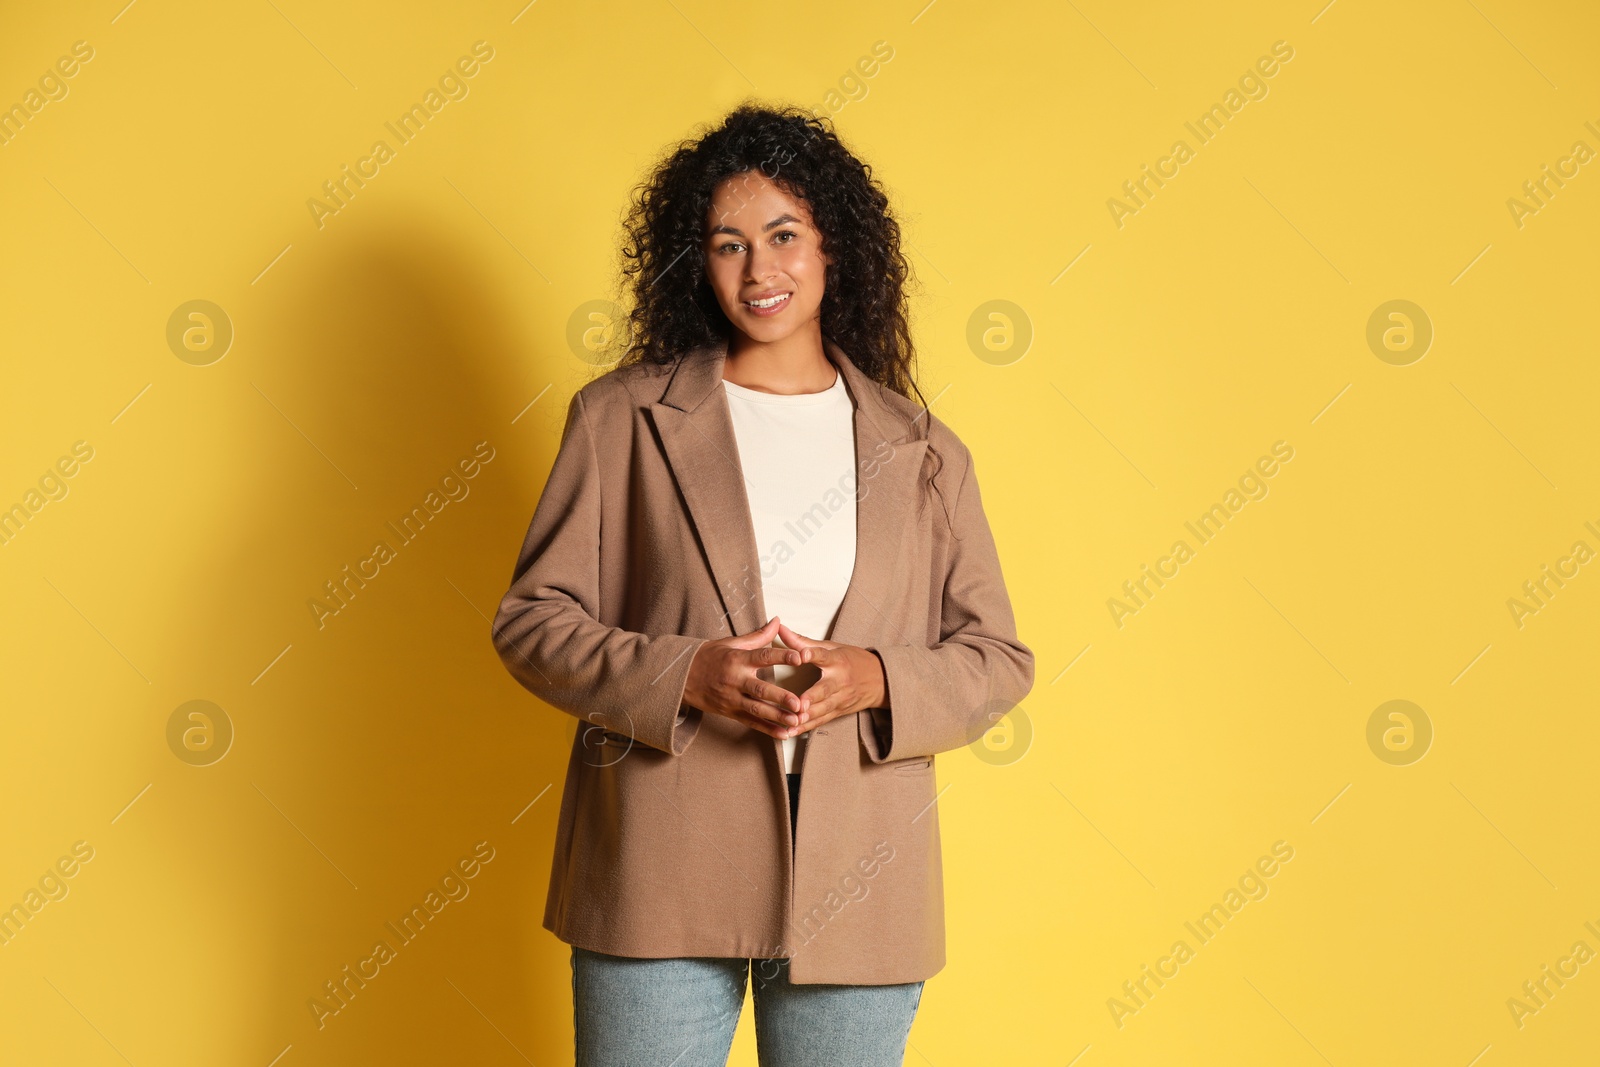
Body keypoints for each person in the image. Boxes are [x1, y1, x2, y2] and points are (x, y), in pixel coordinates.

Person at [491, 103, 1033, 1067]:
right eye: (727, 243)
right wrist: (684, 674)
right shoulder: (621, 420)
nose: (758, 270)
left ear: (834, 250)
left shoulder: (922, 451)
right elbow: (533, 622)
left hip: (862, 878)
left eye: (784, 236)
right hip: (657, 862)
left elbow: (996, 660)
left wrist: (874, 677)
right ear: (695, 264)